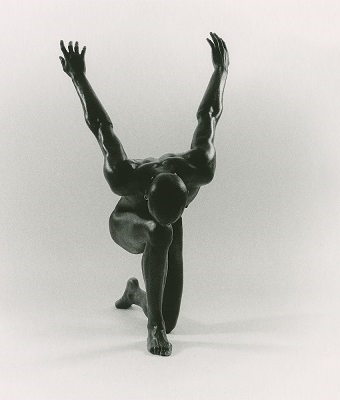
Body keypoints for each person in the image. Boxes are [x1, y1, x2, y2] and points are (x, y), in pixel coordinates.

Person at [59, 32, 229, 356]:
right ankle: (153, 328)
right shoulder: (125, 176)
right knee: (157, 232)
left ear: (185, 192)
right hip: (127, 220)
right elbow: (101, 126)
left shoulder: (199, 167)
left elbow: (208, 115)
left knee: (170, 317)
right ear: (148, 195)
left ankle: (135, 293)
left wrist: (221, 70)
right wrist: (78, 76)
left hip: (166, 221)